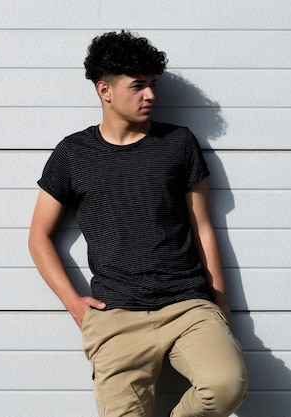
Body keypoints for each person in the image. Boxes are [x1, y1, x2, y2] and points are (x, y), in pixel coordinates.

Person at [28, 31, 248, 417]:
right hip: (115, 314)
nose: (150, 95)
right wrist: (74, 303)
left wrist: (220, 301)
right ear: (105, 90)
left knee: (225, 386)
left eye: (152, 85)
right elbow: (38, 237)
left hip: (187, 304)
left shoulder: (178, 143)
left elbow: (203, 227)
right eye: (138, 86)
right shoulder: (72, 154)